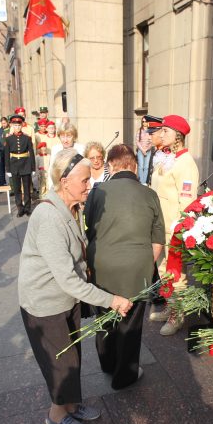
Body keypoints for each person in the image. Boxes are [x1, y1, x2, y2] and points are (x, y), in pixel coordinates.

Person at [18, 148, 132, 424]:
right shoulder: (48, 216)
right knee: (61, 363)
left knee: (72, 356)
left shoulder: (71, 206)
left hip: (64, 300)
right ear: (64, 180)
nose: (89, 185)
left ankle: (71, 405)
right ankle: (56, 414)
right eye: (84, 180)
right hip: (45, 304)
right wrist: (111, 300)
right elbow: (68, 279)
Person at [85, 144, 164, 389]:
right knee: (130, 324)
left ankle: (108, 363)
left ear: (111, 166)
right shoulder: (149, 194)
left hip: (103, 267)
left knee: (104, 318)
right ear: (133, 165)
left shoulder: (97, 192)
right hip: (136, 269)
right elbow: (158, 239)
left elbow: (89, 229)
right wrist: (144, 265)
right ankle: (125, 375)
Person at [149, 114, 199, 335]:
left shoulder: (186, 163)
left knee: (175, 273)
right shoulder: (166, 157)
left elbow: (187, 201)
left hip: (173, 228)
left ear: (178, 135)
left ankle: (177, 316)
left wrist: (180, 229)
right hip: (159, 225)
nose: (161, 134)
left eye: (166, 131)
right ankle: (170, 307)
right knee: (162, 269)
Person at [3, 114, 36, 217]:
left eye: (19, 125)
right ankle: (20, 208)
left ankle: (27, 208)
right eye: (15, 125)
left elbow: (31, 153)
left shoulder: (27, 138)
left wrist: (33, 167)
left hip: (25, 164)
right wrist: (7, 169)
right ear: (12, 126)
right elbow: (6, 155)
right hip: (14, 165)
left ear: (22, 125)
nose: (17, 127)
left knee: (26, 188)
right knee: (17, 189)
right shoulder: (8, 139)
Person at [48, 123, 85, 192]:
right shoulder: (55, 149)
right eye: (62, 136)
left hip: (76, 187)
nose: (65, 140)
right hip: (60, 187)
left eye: (68, 136)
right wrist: (52, 189)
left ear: (74, 137)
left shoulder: (81, 149)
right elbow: (51, 170)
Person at [135, 116, 154, 185]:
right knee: (141, 166)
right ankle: (142, 182)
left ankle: (144, 182)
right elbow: (137, 141)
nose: (144, 123)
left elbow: (152, 142)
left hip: (148, 151)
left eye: (145, 121)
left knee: (146, 167)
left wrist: (147, 149)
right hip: (141, 150)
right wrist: (142, 150)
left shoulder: (150, 131)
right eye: (143, 121)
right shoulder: (139, 130)